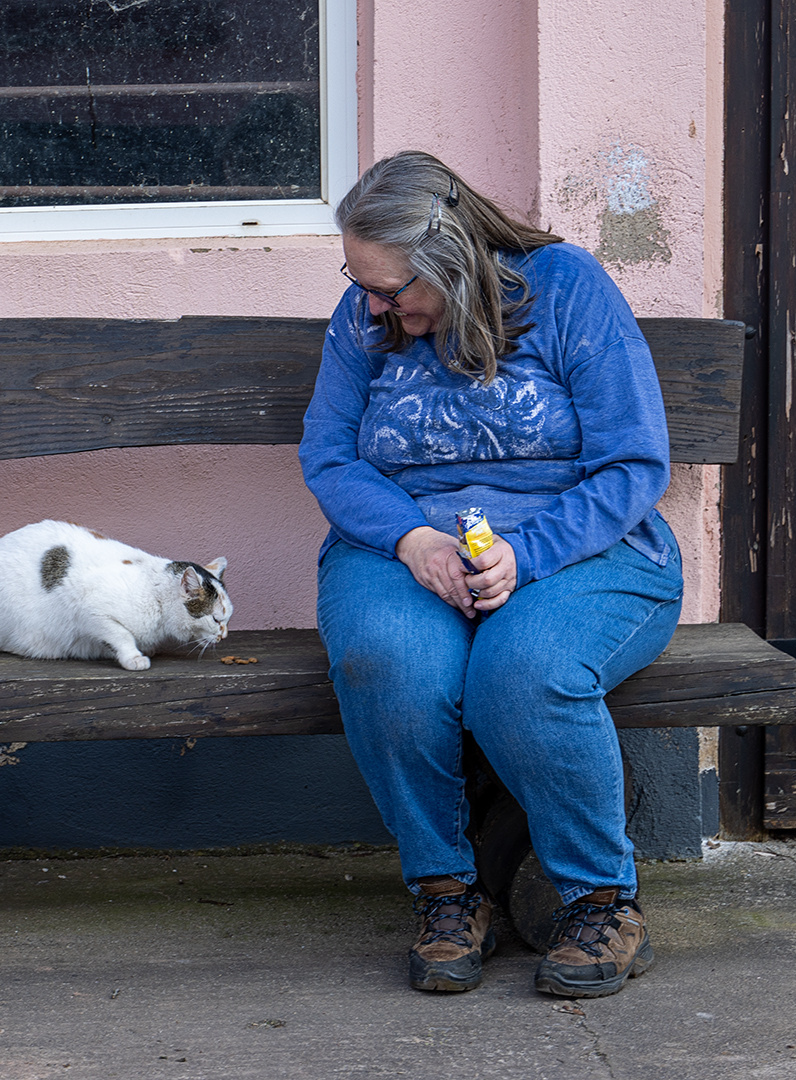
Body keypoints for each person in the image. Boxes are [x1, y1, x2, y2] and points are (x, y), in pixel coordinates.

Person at [300, 150, 683, 999]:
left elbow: (631, 463)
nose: (373, 307)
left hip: (581, 546)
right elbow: (329, 458)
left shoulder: (566, 288)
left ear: (449, 261)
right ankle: (446, 891)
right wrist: (410, 540)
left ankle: (599, 902)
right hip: (402, 547)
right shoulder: (364, 318)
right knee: (386, 661)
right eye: (359, 283)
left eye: (392, 290)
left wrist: (530, 554)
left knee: (526, 671)